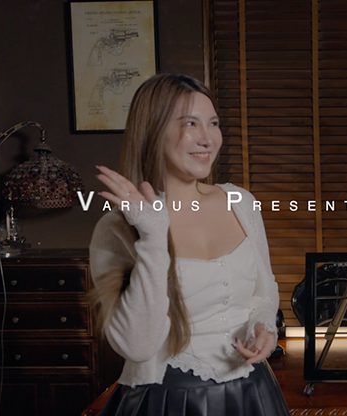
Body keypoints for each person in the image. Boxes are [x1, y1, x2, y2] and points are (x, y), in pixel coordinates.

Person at [89, 73, 289, 416]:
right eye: (190, 124)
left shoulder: (241, 202)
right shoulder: (118, 228)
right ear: (152, 131)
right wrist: (153, 238)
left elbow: (265, 288)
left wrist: (263, 326)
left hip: (254, 394)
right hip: (167, 401)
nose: (208, 139)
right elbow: (138, 346)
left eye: (213, 123)